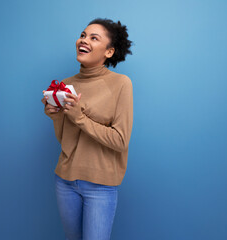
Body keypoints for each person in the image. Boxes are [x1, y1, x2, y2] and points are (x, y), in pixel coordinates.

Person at [41, 18, 133, 240]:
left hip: (100, 186)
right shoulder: (66, 84)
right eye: (83, 35)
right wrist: (54, 115)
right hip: (65, 180)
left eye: (94, 38)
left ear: (109, 51)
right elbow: (66, 140)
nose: (84, 40)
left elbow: (120, 140)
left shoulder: (121, 84)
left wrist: (79, 117)